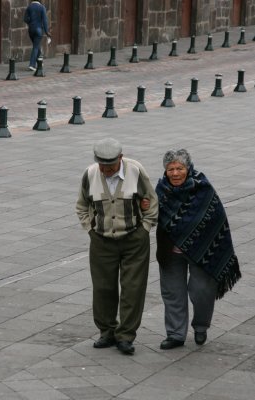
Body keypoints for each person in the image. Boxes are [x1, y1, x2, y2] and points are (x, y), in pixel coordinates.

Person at [76, 138, 158, 355]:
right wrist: (90, 228)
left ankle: (126, 336)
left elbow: (151, 200)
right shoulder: (91, 173)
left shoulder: (136, 170)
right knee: (103, 288)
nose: (106, 171)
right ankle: (107, 332)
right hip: (101, 241)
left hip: (134, 240)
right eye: (103, 166)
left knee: (133, 288)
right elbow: (82, 205)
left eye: (110, 167)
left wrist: (145, 228)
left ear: (120, 159)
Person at [155, 149, 241, 349]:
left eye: (180, 168)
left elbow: (217, 218)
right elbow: (152, 218)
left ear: (188, 168)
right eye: (171, 169)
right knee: (172, 293)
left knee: (202, 291)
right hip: (170, 252)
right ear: (165, 171)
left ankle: (201, 326)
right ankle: (175, 334)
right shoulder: (161, 190)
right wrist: (144, 207)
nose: (175, 173)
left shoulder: (203, 188)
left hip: (202, 251)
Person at [24, 0, 51, 71]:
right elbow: (45, 21)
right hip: (38, 30)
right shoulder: (42, 7)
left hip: (31, 30)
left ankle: (40, 61)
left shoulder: (29, 7)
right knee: (36, 47)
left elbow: (25, 19)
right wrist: (47, 32)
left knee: (36, 44)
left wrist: (31, 22)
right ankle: (32, 65)